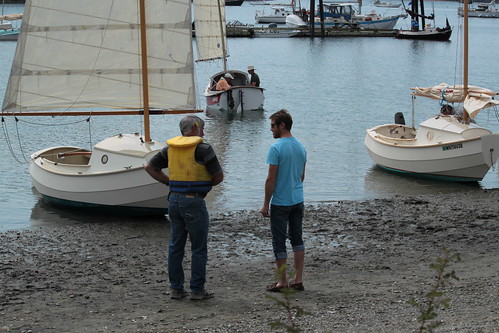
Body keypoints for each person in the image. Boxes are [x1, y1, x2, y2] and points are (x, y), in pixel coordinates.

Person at [145, 115, 224, 301]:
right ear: (196, 128)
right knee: (198, 247)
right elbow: (219, 176)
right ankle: (197, 290)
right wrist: (204, 185)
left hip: (174, 200)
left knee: (175, 246)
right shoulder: (203, 149)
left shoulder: (170, 149)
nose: (203, 133)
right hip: (194, 201)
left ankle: (176, 289)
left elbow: (149, 167)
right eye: (202, 129)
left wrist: (169, 183)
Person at [260, 109, 307, 293]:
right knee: (297, 239)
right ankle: (298, 278)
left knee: (279, 241)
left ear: (282, 125)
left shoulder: (276, 148)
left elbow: (271, 179)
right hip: (298, 199)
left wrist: (265, 204)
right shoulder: (301, 147)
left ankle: (282, 281)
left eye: (273, 125)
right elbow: (301, 176)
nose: (271, 129)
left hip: (281, 202)